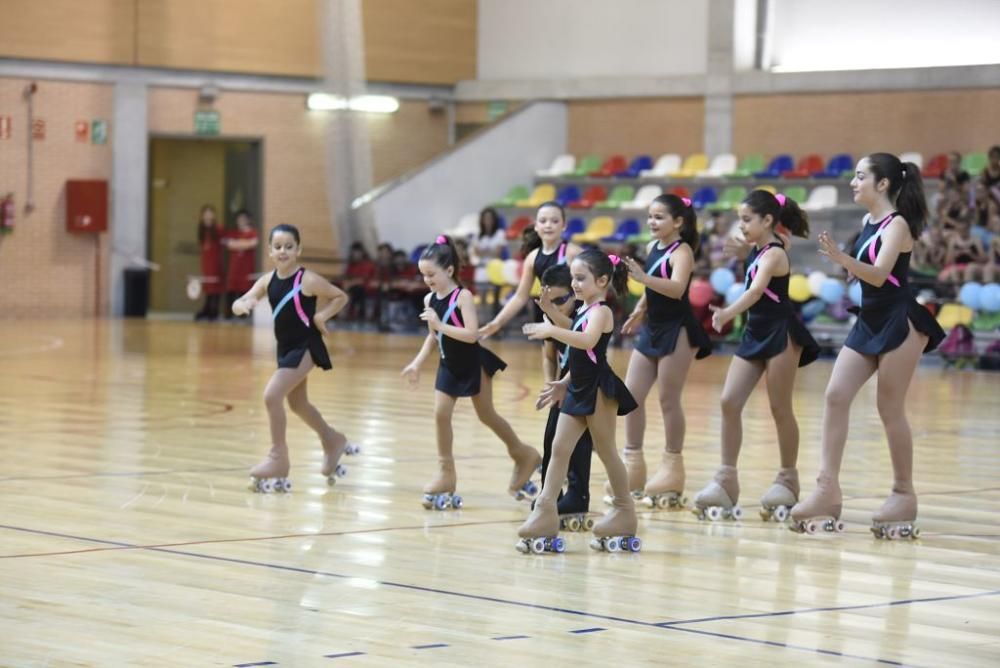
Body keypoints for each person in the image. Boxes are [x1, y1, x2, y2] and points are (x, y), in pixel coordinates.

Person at [791, 153, 945, 539]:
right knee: (835, 395)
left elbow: (878, 276)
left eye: (861, 177)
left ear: (883, 184)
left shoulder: (898, 226)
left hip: (900, 322)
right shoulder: (867, 222)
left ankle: (903, 494)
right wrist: (846, 263)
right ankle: (827, 489)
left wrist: (844, 259)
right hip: (869, 320)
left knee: (888, 408)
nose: (853, 183)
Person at [692, 190, 819, 523]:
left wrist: (725, 314)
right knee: (729, 402)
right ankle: (725, 479)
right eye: (740, 219)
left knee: (779, 408)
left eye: (747, 219)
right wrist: (744, 249)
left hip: (780, 333)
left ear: (767, 221)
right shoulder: (760, 248)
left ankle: (788, 479)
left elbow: (755, 291)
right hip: (755, 334)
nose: (742, 225)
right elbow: (754, 255)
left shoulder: (775, 254)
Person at [401, 235, 541, 510]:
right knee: (440, 414)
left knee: (486, 415)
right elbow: (433, 337)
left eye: (431, 274)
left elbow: (471, 335)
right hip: (448, 364)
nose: (426, 280)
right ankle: (446, 473)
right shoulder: (430, 299)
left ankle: (523, 453)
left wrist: (440, 325)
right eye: (423, 275)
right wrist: (417, 362)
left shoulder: (462, 297)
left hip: (472, 363)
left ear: (449, 270)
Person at [518, 250, 640, 554]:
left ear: (601, 280)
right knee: (559, 449)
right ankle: (546, 511)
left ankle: (625, 511)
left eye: (580, 278)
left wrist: (550, 328)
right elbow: (579, 349)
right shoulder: (585, 309)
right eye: (573, 277)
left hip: (598, 390)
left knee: (607, 451)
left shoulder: (602, 312)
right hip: (578, 387)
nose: (574, 283)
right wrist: (564, 381)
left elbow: (586, 343)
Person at [231, 224, 355, 492]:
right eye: (278, 247)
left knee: (271, 395)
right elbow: (243, 299)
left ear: (298, 250)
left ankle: (278, 457)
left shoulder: (306, 279)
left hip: (306, 346)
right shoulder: (267, 280)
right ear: (270, 251)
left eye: (289, 246)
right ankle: (332, 440)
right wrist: (243, 305)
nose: (283, 251)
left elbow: (339, 296)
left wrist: (321, 316)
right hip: (285, 349)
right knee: (298, 404)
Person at [618, 194, 712, 510]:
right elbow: (652, 289)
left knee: (668, 399)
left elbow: (675, 287)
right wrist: (640, 309)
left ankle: (672, 469)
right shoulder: (652, 248)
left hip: (678, 329)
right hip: (652, 328)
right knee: (630, 396)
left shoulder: (682, 250)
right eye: (650, 217)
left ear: (678, 222)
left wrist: (644, 278)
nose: (652, 222)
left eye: (659, 217)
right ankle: (633, 466)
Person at [535, 263, 594, 531]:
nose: (557, 306)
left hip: (586, 388)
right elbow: (549, 356)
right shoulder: (552, 321)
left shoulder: (586, 316)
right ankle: (550, 493)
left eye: (561, 300)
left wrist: (550, 315)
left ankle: (579, 495)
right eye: (551, 301)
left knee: (581, 445)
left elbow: (575, 333)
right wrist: (551, 383)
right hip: (563, 386)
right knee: (551, 442)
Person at [471, 207, 507, 319]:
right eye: (485, 218)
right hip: (481, 270)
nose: (488, 221)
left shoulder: (500, 233)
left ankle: (494, 324)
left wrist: (483, 251)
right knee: (481, 299)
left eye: (490, 218)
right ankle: (481, 322)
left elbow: (497, 253)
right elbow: (476, 253)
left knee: (495, 300)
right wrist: (489, 251)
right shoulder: (478, 234)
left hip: (495, 270)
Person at [224, 210, 260, 318]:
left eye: (243, 219)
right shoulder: (234, 233)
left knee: (244, 292)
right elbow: (229, 245)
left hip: (246, 269)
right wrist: (244, 244)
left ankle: (243, 315)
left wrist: (238, 244)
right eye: (239, 219)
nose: (241, 221)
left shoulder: (252, 232)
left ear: (248, 220)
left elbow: (253, 243)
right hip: (234, 269)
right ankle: (229, 315)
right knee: (231, 291)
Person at [195, 204, 224, 321]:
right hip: (206, 262)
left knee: (215, 286)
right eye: (205, 213)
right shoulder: (202, 230)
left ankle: (214, 310)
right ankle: (207, 309)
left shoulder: (218, 228)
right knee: (207, 285)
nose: (208, 216)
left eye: (210, 213)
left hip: (215, 261)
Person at [342, 242, 376, 322]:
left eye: (357, 252)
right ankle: (335, 316)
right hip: (353, 288)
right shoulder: (351, 265)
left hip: (365, 289)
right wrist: (345, 283)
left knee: (358, 289)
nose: (355, 254)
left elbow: (363, 280)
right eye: (353, 252)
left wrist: (350, 284)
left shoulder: (368, 264)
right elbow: (346, 277)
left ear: (362, 252)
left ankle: (358, 316)